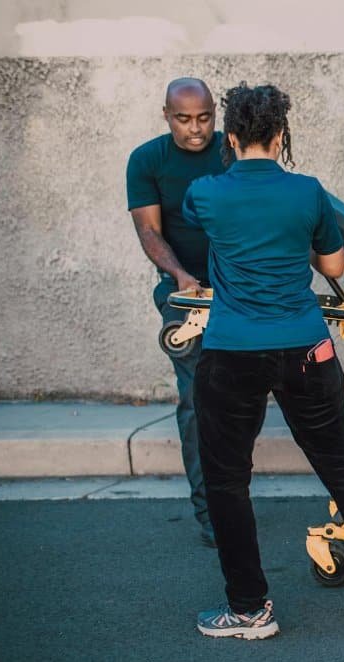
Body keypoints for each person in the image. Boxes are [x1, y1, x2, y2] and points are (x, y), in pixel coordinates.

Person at [185, 82, 344, 639]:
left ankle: (249, 610)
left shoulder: (205, 193)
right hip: (304, 347)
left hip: (231, 353)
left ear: (230, 136)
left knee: (226, 482)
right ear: (280, 135)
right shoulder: (309, 192)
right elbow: (335, 267)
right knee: (342, 465)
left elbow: (203, 225)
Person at [126, 77, 225, 547]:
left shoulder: (233, 151)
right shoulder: (147, 160)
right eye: (184, 119)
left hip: (241, 291)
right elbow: (149, 231)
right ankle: (212, 514)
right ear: (166, 114)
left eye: (204, 117)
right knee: (197, 402)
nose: (195, 130)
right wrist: (183, 278)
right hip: (184, 295)